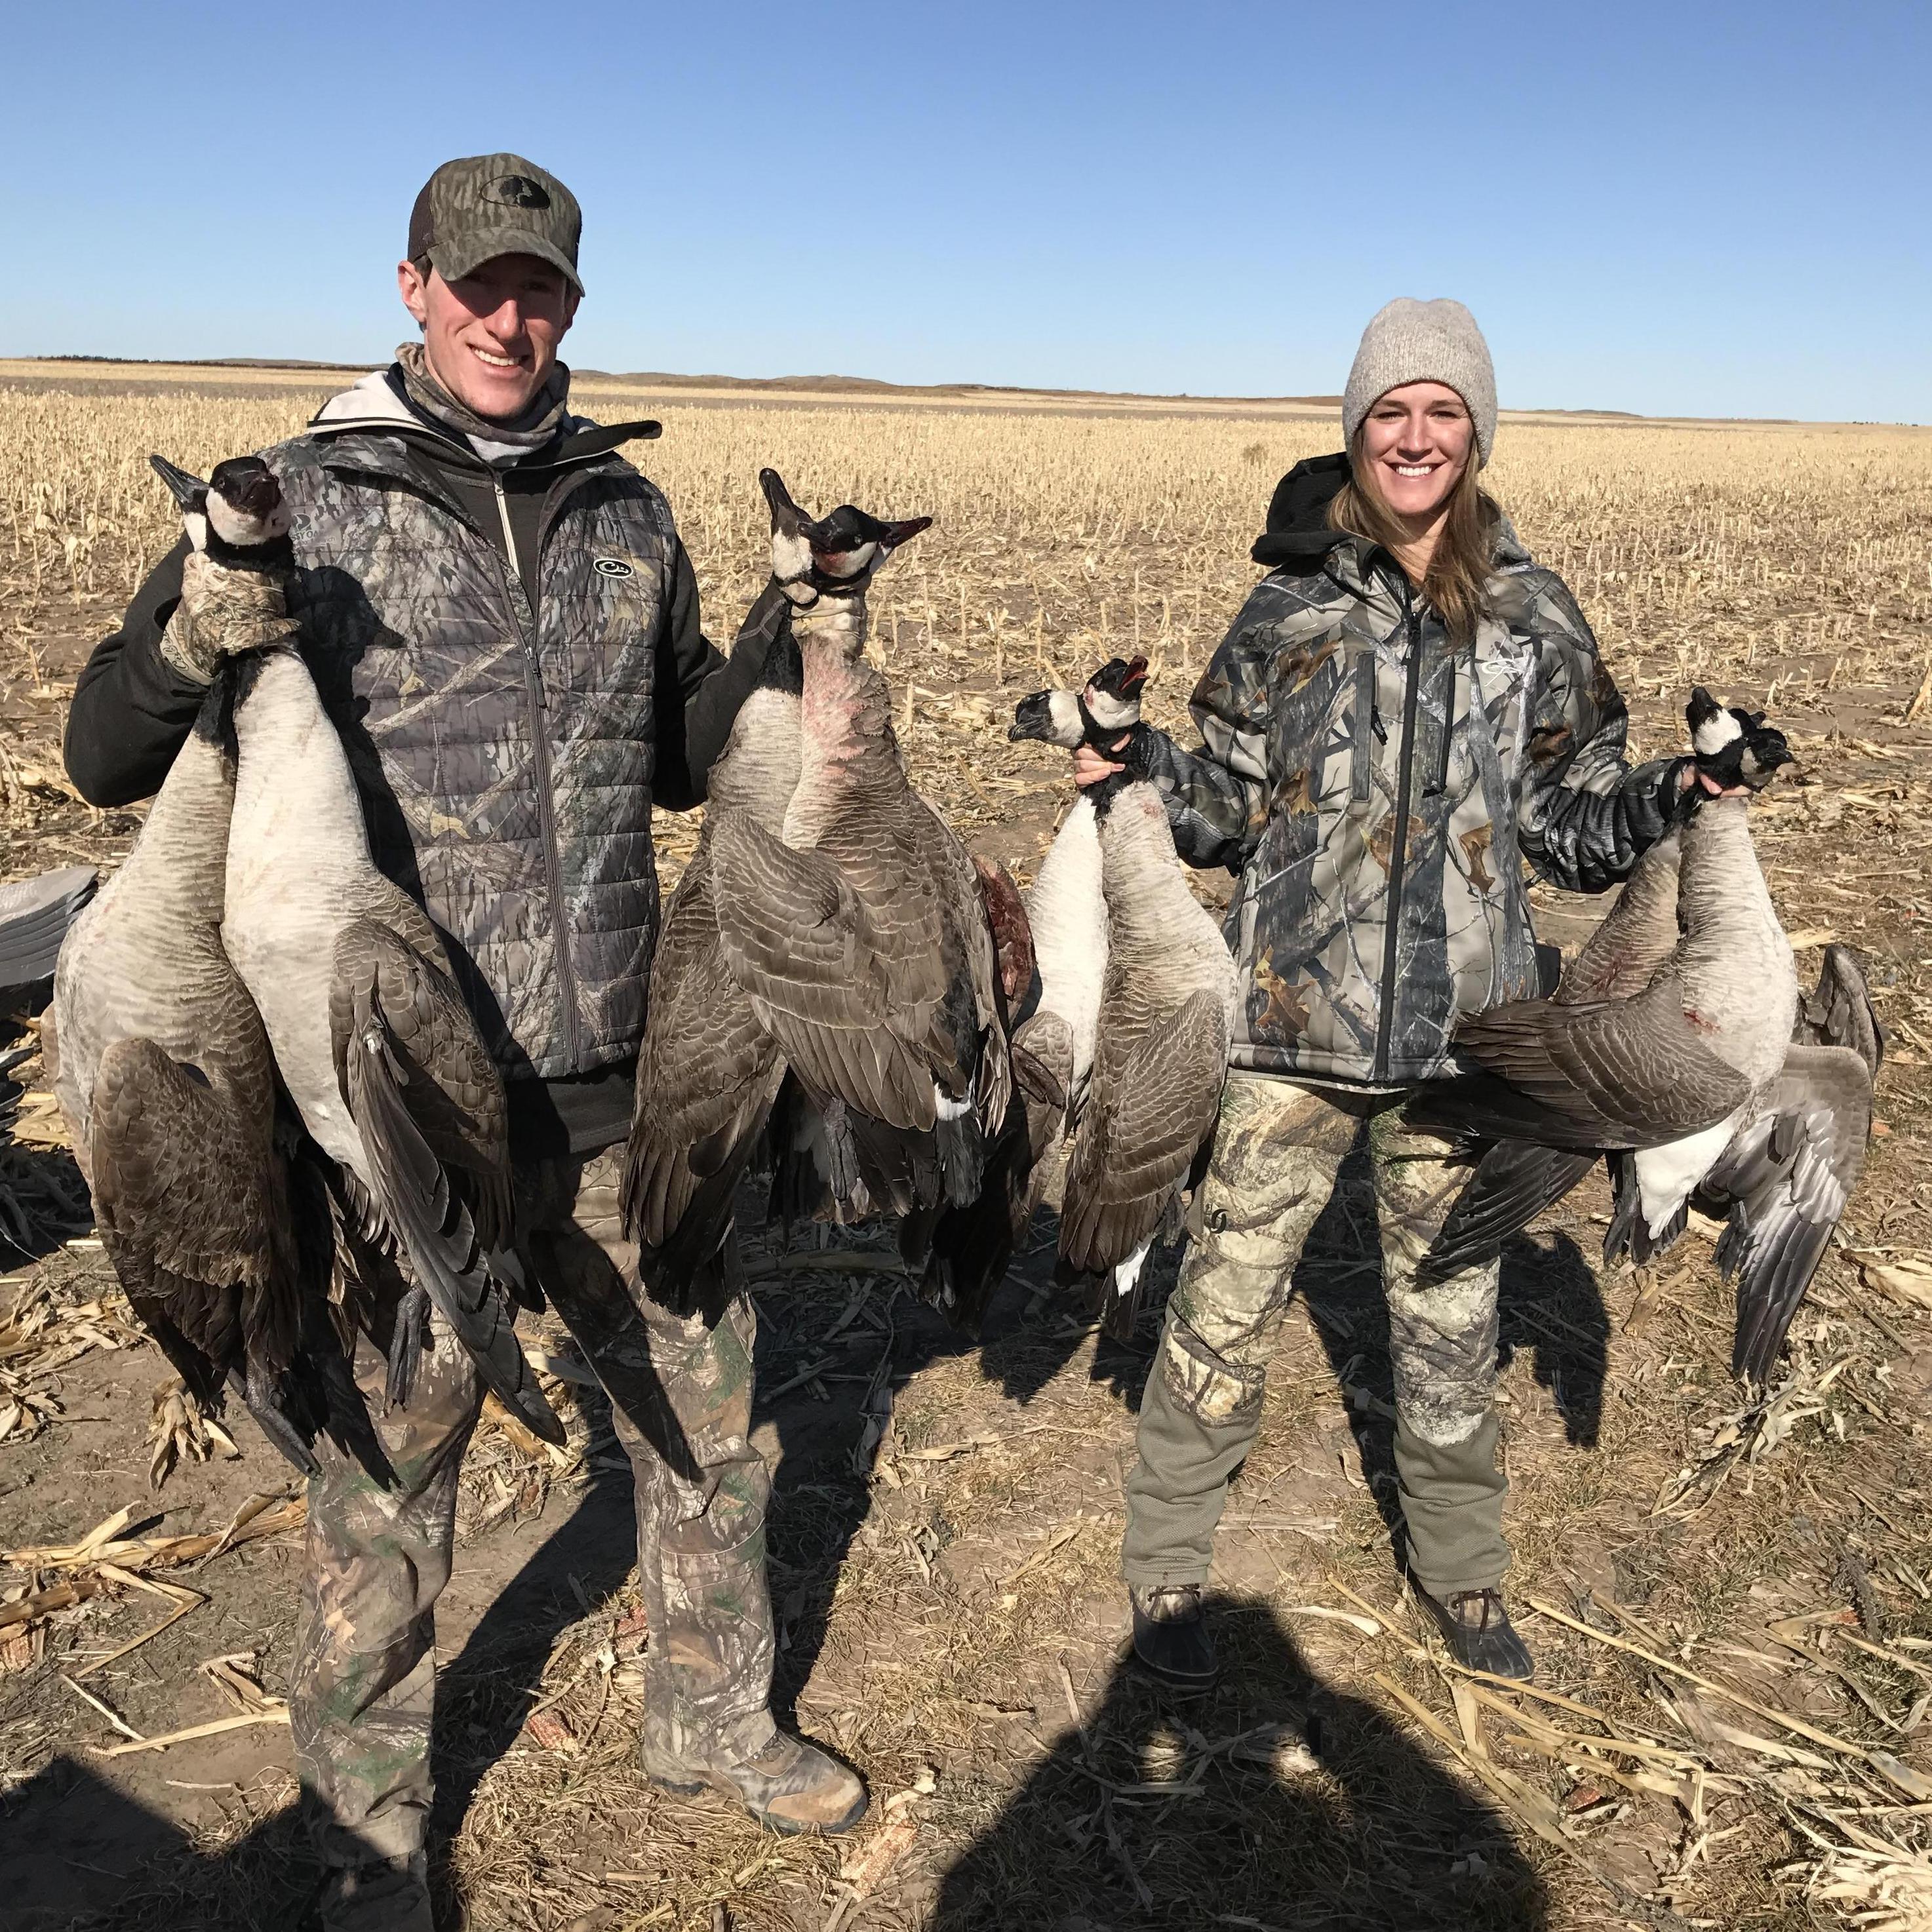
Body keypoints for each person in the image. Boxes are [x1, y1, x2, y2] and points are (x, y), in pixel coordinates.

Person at [66, 154, 863, 1932]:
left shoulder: (626, 516)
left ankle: (714, 1721)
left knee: (712, 1431)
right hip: (394, 1107)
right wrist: (200, 625)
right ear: (413, 286)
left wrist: (782, 628)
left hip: (622, 1084)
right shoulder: (296, 506)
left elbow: (676, 751)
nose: (516, 317)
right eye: (482, 283)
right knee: (384, 1484)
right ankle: (365, 1835)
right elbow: (105, 753)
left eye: (546, 291)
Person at [1076, 298, 1749, 1688]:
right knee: (1223, 1297)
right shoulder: (1287, 606)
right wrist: (1138, 768)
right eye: (1391, 410)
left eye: (1443, 410)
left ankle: (1460, 1571)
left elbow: (1567, 820)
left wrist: (1672, 796)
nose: (1415, 433)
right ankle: (1164, 1563)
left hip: (1466, 1044)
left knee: (1450, 1315)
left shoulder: (1533, 613)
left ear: (1476, 434)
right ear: (1356, 430)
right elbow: (1227, 804)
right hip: (1287, 1031)